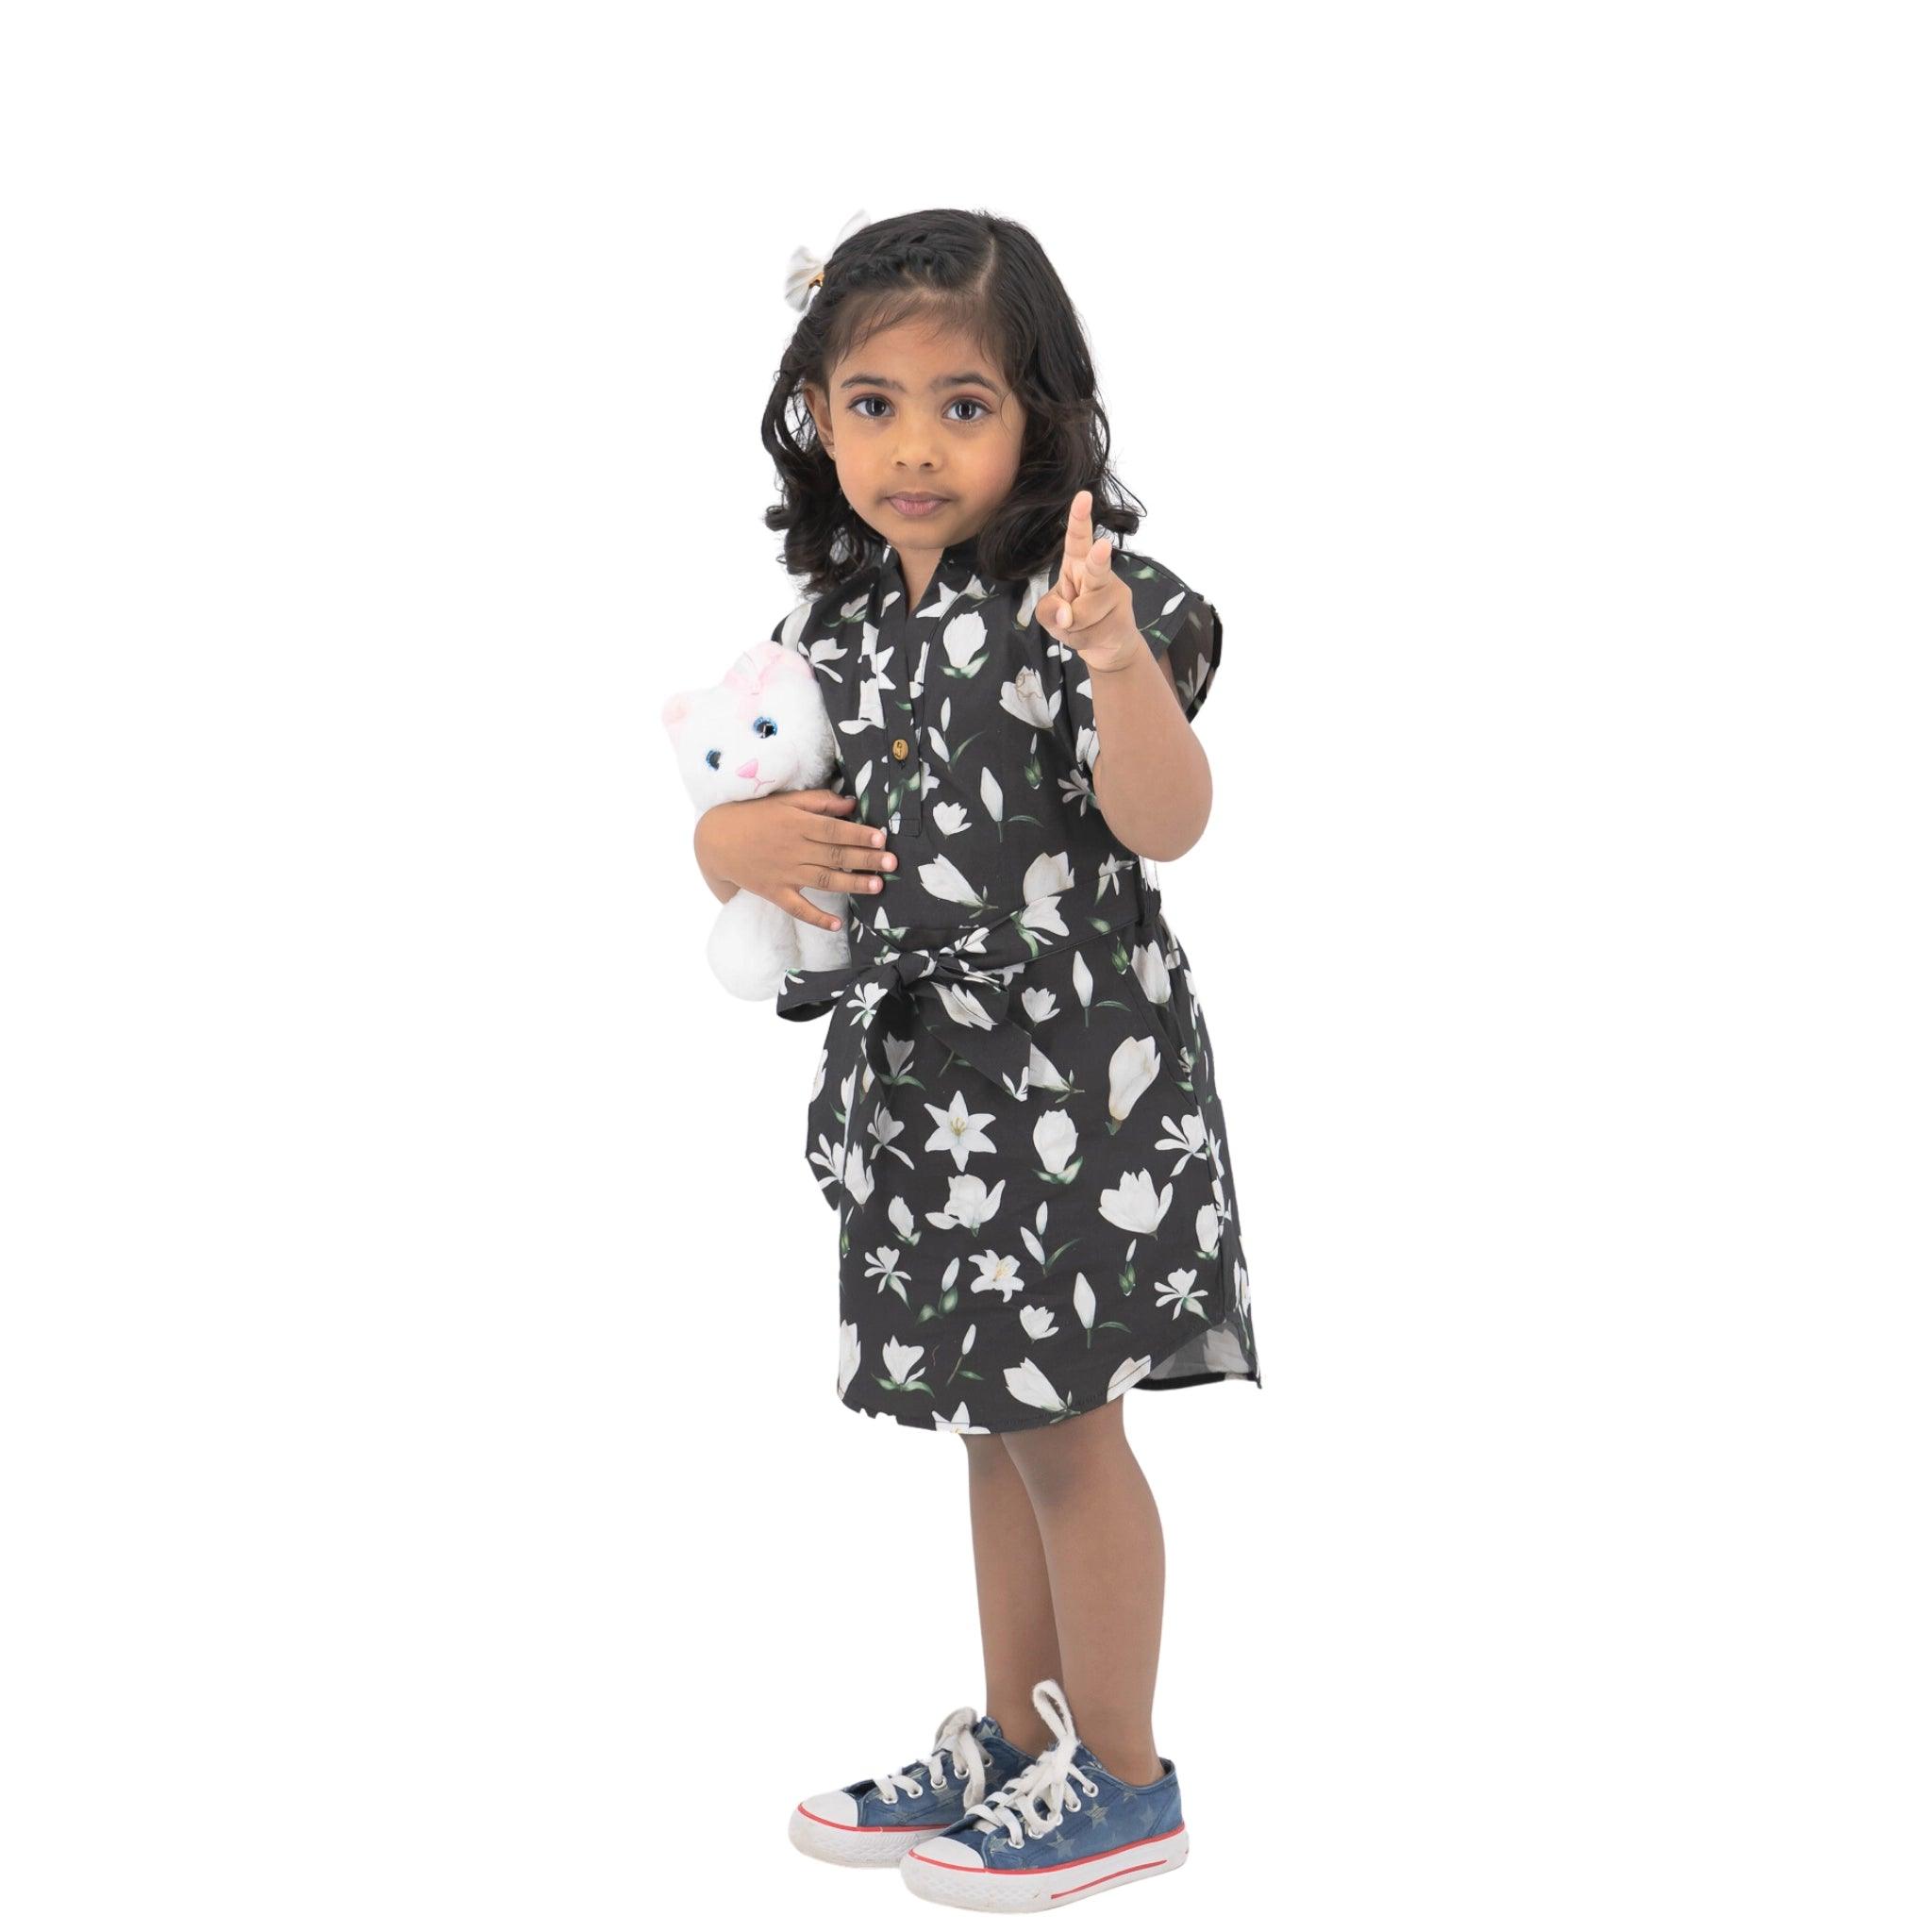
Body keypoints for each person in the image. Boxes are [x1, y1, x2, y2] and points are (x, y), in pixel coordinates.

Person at [691, 208, 1260, 1913]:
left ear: (1041, 420)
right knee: (991, 1431)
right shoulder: (839, 620)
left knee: (1071, 1434)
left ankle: (1132, 1778)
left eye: (961, 404)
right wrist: (727, 854)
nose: (914, 445)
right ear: (816, 416)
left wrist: (1109, 657)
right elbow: (755, 820)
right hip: (925, 1096)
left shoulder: (1078, 598)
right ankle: (1027, 1742)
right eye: (872, 404)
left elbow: (1170, 820)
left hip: (1076, 1086)